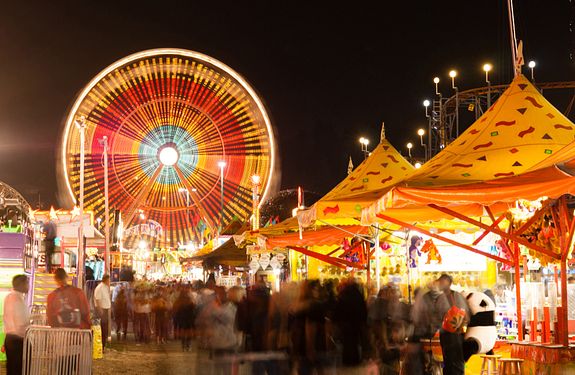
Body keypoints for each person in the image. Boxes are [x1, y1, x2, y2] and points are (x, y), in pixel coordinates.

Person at [434, 274, 470, 375]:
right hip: (444, 334)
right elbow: (437, 315)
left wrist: (459, 326)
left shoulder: (456, 296)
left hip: (455, 335)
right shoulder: (440, 298)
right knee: (447, 361)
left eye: (443, 281)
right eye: (439, 281)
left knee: (456, 362)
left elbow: (465, 315)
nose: (440, 283)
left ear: (449, 283)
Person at [2, 275, 29, 375]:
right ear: (21, 285)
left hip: (10, 339)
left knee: (12, 369)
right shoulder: (17, 299)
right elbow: (21, 321)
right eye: (26, 283)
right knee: (18, 369)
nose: (28, 286)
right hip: (18, 340)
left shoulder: (9, 297)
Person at [94, 275, 111, 351]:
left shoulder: (106, 287)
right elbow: (97, 300)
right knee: (102, 329)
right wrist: (100, 310)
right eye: (109, 280)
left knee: (105, 329)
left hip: (105, 310)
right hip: (101, 310)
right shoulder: (99, 288)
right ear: (106, 280)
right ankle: (101, 346)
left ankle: (104, 345)